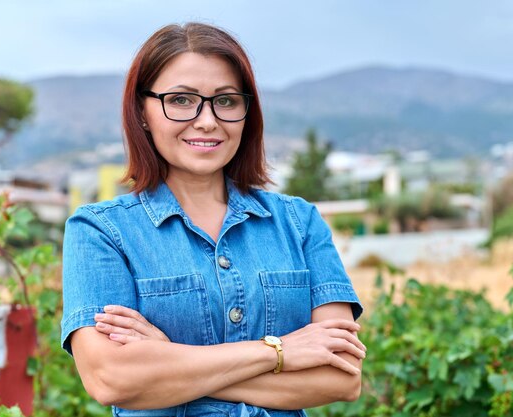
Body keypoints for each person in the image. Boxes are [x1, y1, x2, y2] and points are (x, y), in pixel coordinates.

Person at [61, 22, 365, 417]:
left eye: (225, 101)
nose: (207, 120)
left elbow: (341, 378)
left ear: (246, 111)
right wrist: (279, 352)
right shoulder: (100, 231)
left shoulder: (300, 222)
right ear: (143, 111)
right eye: (182, 100)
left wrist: (166, 359)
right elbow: (110, 379)